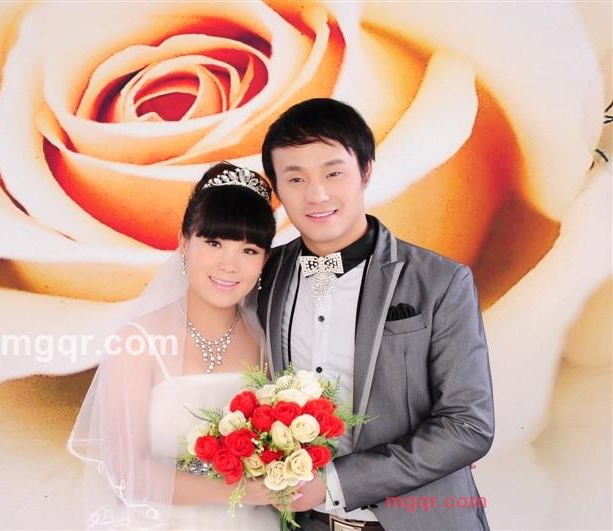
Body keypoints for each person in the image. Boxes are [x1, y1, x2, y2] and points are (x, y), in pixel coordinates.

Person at [256, 98, 494, 531]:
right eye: (296, 178)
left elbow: (468, 425)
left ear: (365, 171)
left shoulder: (441, 281)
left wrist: (333, 483)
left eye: (333, 173)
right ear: (278, 188)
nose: (316, 194)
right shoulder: (265, 275)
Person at [67, 162, 281, 529]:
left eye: (249, 250)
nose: (229, 265)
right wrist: (242, 491)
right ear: (184, 243)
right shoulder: (138, 342)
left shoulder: (267, 342)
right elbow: (128, 471)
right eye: (213, 243)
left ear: (265, 259)